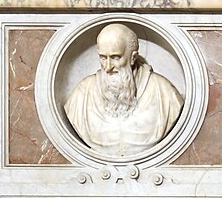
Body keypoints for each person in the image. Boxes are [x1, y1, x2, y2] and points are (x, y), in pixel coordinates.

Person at [64, 23, 184, 156]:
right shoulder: (82, 95)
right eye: (103, 58)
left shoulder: (164, 93)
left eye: (115, 57)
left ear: (133, 57)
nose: (108, 67)